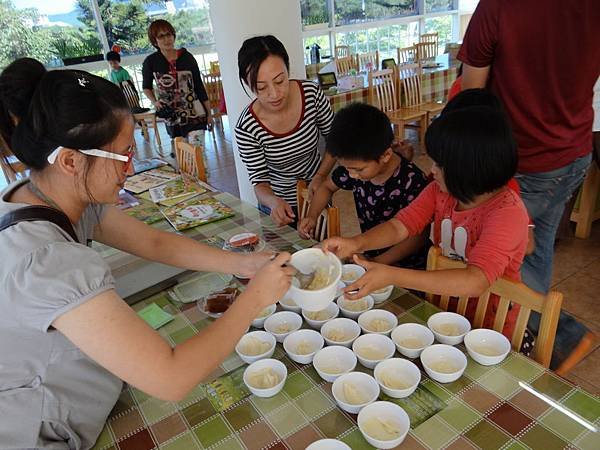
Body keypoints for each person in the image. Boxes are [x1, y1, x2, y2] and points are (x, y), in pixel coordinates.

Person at [0, 60, 293, 449]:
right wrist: (256, 296)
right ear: (70, 160)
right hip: (46, 428)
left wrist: (243, 264)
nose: (131, 167)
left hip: (87, 389)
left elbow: (154, 242)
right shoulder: (48, 262)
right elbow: (171, 378)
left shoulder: (46, 191)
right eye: (123, 155)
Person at [458, 0, 600, 372]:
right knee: (533, 251)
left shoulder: (499, 7)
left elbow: (472, 99)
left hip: (524, 163)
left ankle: (558, 339)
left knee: (506, 260)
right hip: (574, 152)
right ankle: (548, 338)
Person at [322, 106, 529, 337]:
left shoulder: (507, 213)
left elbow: (475, 280)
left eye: (439, 165)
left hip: (491, 324)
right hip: (443, 309)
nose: (432, 170)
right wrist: (357, 243)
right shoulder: (439, 191)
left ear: (469, 170)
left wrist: (391, 274)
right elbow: (400, 225)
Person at [299, 102, 429, 267]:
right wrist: (312, 216)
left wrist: (377, 262)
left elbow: (418, 237)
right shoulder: (355, 168)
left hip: (408, 267)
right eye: (347, 168)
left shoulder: (412, 181)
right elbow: (326, 187)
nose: (352, 175)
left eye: (358, 169)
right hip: (371, 254)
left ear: (385, 155)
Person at [235, 35, 335, 227]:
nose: (274, 94)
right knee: (282, 256)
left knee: (322, 253)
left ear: (287, 70)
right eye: (261, 87)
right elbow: (260, 183)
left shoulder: (311, 94)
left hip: (317, 194)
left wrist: (320, 176)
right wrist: (274, 202)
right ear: (248, 85)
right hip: (279, 205)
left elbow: (335, 140)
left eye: (280, 81)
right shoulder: (247, 127)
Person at [142, 19, 212, 143]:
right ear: (155, 41)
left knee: (198, 154)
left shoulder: (187, 57)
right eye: (161, 36)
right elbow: (146, 87)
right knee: (183, 156)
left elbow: (199, 87)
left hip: (194, 113)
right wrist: (155, 102)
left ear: (173, 35)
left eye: (169, 34)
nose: (166, 39)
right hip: (172, 117)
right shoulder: (151, 62)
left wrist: (209, 114)